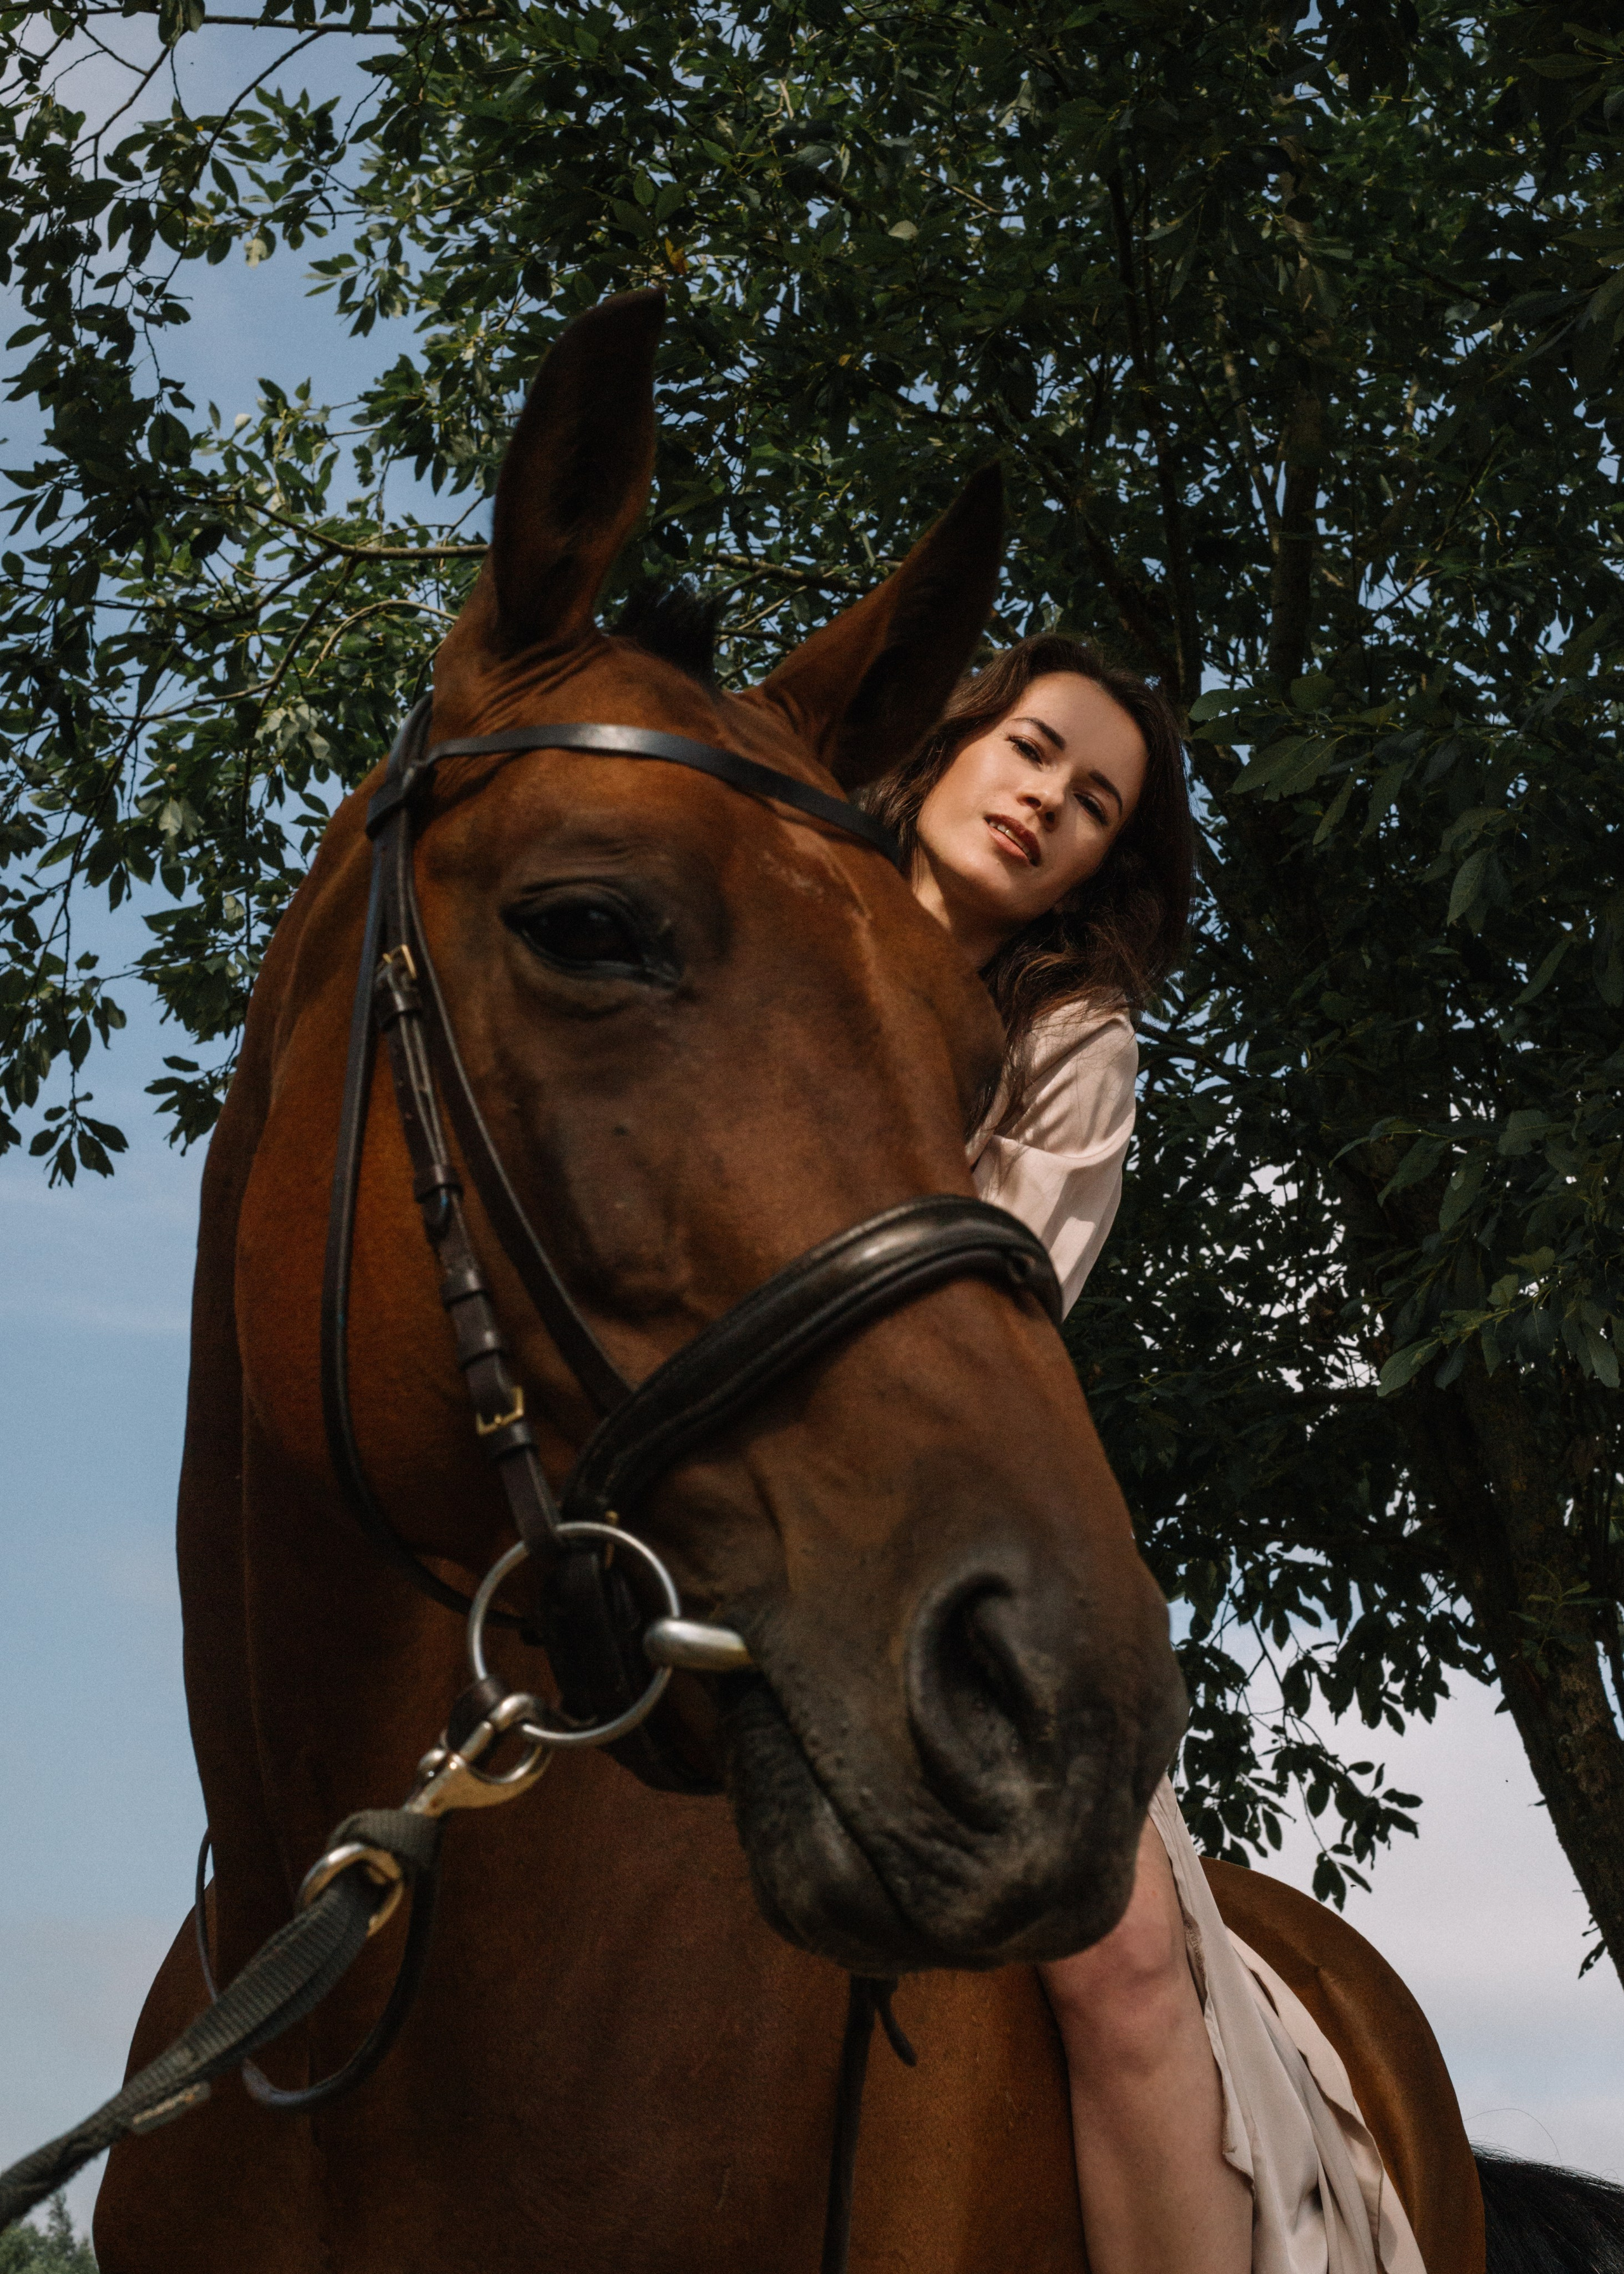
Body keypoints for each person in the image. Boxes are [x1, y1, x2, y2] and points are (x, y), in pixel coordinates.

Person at [863, 634, 1426, 2274]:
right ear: (954, 742)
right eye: (1033, 750)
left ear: (1103, 866)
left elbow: (981, 1326)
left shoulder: (1074, 1039)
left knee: (1116, 1972)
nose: (1049, 801)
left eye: (1097, 803)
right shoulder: (766, 901)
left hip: (933, 1522)